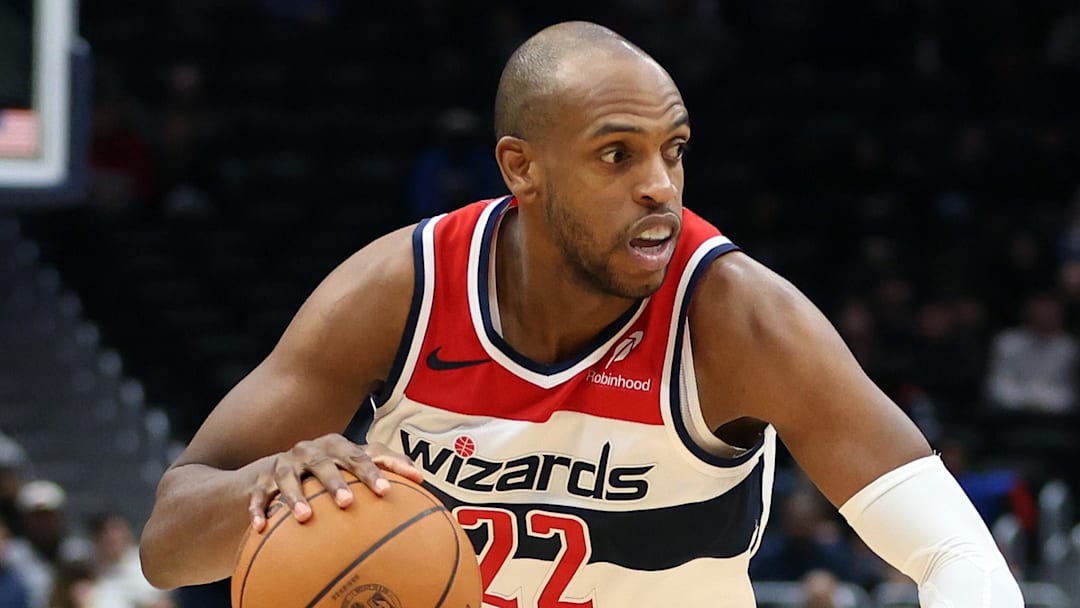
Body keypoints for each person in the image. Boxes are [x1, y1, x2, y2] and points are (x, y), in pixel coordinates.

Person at [140, 21, 1023, 606]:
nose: (661, 186)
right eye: (617, 155)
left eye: (674, 150)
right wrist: (271, 486)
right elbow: (167, 547)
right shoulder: (401, 290)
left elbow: (958, 555)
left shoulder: (736, 318)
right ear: (521, 168)